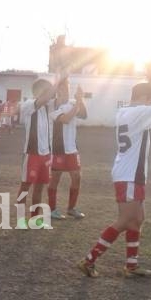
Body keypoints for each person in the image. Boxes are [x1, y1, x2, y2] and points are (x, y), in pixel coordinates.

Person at [77, 64, 151, 278]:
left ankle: (131, 265)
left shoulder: (124, 111)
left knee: (137, 218)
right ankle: (89, 260)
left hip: (131, 173)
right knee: (125, 219)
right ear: (144, 97)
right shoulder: (140, 112)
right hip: (130, 174)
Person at [16, 73, 64, 229]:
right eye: (48, 91)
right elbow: (43, 99)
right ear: (39, 92)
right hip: (32, 154)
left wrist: (64, 82)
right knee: (25, 187)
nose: (51, 94)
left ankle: (35, 220)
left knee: (39, 187)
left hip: (46, 154)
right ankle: (20, 220)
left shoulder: (49, 107)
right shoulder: (29, 104)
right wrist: (57, 82)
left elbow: (61, 100)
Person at [48, 78, 87, 220]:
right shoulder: (53, 106)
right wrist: (77, 104)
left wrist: (80, 99)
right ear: (57, 90)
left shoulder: (72, 104)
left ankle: (71, 208)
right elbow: (65, 119)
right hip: (58, 149)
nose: (66, 91)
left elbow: (83, 115)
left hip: (72, 148)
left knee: (77, 177)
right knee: (55, 179)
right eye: (63, 88)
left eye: (68, 88)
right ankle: (52, 209)